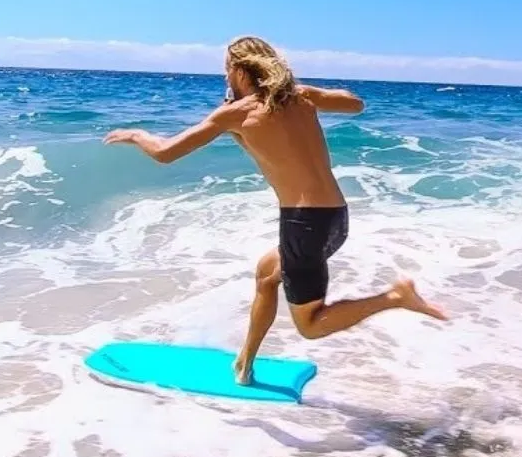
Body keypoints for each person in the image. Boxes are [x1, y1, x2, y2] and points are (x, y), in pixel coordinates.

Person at [103, 35, 448, 385]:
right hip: (335, 216)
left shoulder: (235, 113)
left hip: (304, 224)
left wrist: (136, 135)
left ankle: (393, 297)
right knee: (267, 274)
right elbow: (354, 104)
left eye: (226, 70)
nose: (225, 78)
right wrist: (306, 91)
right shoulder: (301, 96)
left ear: (239, 70)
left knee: (311, 325)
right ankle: (245, 364)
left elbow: (165, 152)